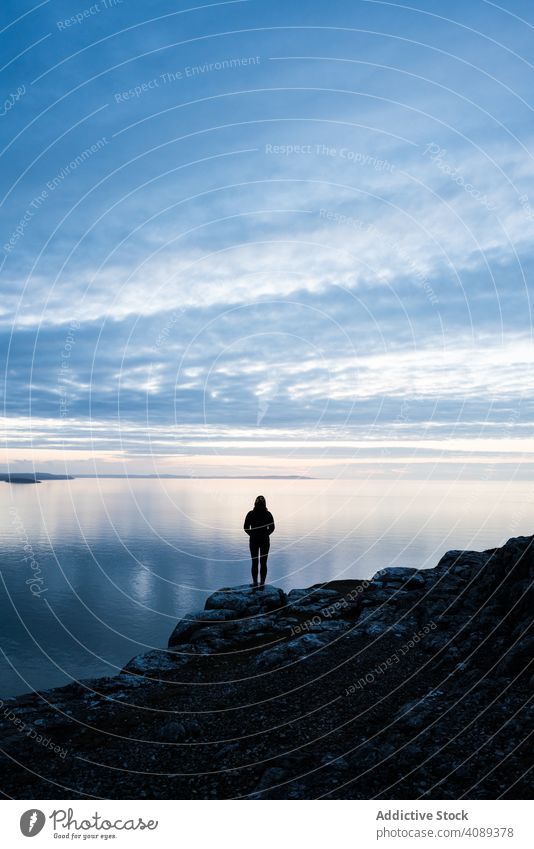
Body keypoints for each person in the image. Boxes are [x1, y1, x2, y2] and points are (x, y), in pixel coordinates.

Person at [243, 495, 275, 587]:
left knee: (255, 562)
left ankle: (255, 583)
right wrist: (266, 534)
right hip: (264, 540)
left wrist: (252, 534)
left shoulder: (250, 514)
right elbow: (272, 528)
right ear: (265, 504)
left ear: (255, 504)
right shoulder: (268, 514)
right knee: (263, 562)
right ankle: (262, 583)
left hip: (254, 540)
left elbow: (245, 527)